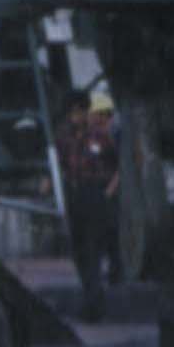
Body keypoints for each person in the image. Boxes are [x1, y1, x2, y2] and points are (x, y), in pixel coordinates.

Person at [57, 89, 120, 323]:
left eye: (80, 111)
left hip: (95, 193)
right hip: (75, 195)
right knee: (80, 252)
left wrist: (108, 192)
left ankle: (94, 305)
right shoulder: (64, 137)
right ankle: (90, 297)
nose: (75, 116)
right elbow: (60, 164)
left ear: (86, 112)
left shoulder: (100, 136)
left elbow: (119, 166)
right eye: (72, 112)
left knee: (93, 250)